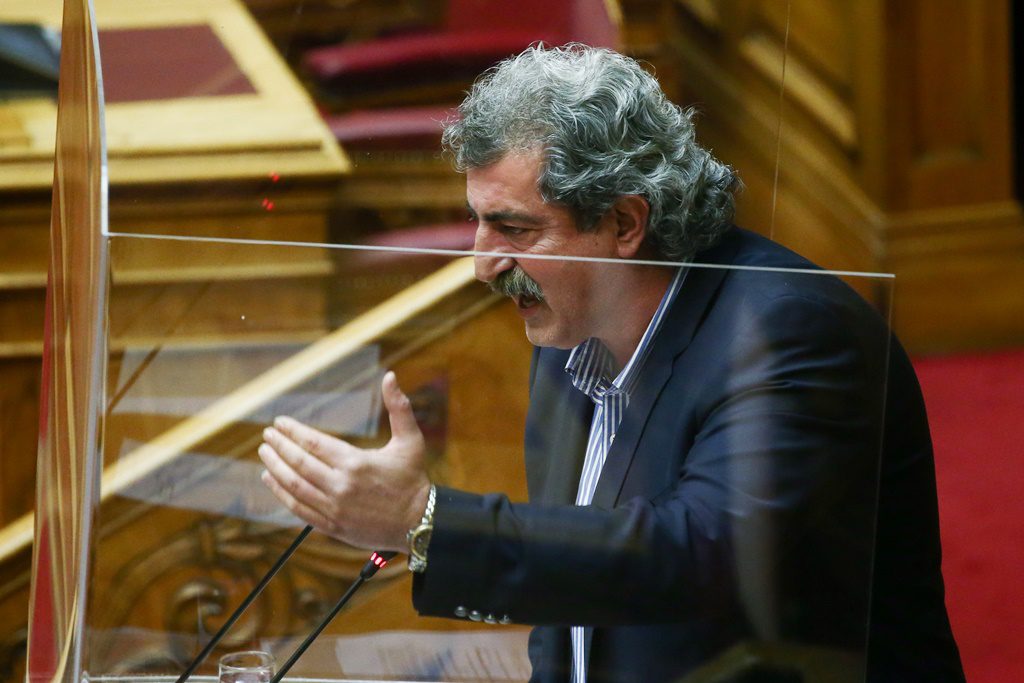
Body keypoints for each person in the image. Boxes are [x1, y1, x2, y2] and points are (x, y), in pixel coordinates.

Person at [258, 45, 964, 682]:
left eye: (514, 228)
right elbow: (572, 601)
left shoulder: (792, 334)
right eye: (477, 221)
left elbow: (691, 558)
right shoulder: (570, 335)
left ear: (625, 223)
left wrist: (425, 520)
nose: (482, 264)